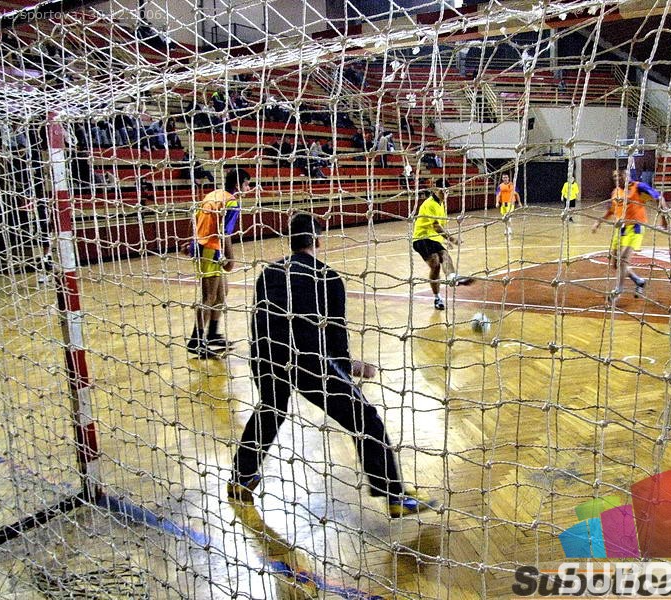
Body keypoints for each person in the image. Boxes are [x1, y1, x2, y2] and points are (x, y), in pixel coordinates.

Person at [228, 213, 439, 518]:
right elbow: (335, 337)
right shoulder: (327, 277)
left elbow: (258, 318)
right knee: (364, 418)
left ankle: (241, 478)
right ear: (317, 240)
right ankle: (394, 496)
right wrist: (352, 366)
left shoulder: (268, 273)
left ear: (291, 240)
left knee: (271, 408)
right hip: (307, 359)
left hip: (264, 354)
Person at [186, 168, 252, 358]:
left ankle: (213, 334)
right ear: (238, 185)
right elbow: (224, 233)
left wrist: (191, 242)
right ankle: (196, 341)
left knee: (222, 293)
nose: (248, 188)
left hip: (202, 245)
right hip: (209, 248)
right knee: (209, 296)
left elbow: (195, 219)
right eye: (247, 184)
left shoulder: (213, 194)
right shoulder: (232, 202)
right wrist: (230, 258)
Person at [609, 179, 668, 297]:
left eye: (620, 174)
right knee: (616, 264)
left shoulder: (638, 187)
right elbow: (612, 209)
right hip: (622, 228)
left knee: (623, 260)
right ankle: (639, 281)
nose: (617, 178)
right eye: (615, 175)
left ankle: (618, 290)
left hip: (636, 227)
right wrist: (599, 222)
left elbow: (659, 197)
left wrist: (663, 218)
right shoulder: (616, 191)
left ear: (626, 174)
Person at [412, 179, 464, 311]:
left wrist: (445, 241)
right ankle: (437, 297)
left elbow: (440, 226)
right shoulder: (429, 203)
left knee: (445, 255)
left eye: (446, 191)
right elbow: (436, 226)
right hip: (421, 237)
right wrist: (452, 239)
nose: (444, 194)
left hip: (433, 238)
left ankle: (452, 277)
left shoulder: (442, 205)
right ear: (435, 190)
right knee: (435, 263)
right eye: (442, 191)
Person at [591, 170, 626, 235]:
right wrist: (599, 222)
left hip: (633, 227)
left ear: (624, 176)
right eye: (614, 176)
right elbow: (611, 211)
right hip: (620, 227)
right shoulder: (615, 192)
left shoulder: (634, 188)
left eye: (619, 175)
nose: (616, 178)